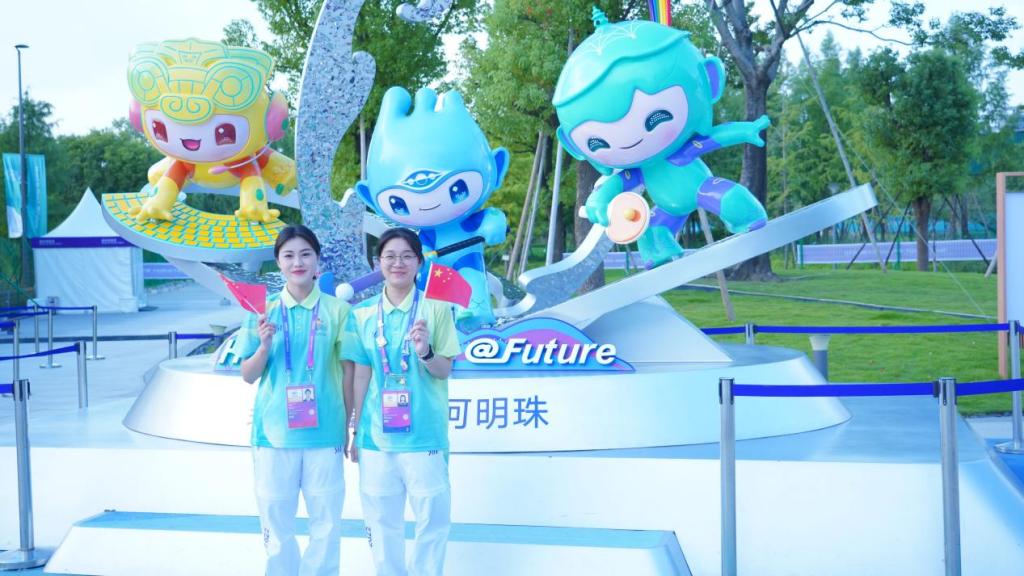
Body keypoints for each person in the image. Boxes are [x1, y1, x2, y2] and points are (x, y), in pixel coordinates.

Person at [343, 227, 461, 576]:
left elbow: (444, 370)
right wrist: (355, 431)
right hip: (376, 439)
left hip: (424, 437)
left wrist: (425, 351)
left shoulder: (435, 308)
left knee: (432, 523)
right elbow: (361, 374)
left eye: (407, 256)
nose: (398, 263)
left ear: (419, 263)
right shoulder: (362, 314)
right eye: (390, 256)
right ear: (378, 262)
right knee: (381, 525)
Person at [238, 224, 353, 576]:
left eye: (305, 254)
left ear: (317, 260)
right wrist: (263, 346)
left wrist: (348, 425)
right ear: (278, 262)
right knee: (276, 526)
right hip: (274, 435)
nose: (297, 262)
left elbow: (349, 372)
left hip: (325, 433)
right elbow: (248, 375)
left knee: (326, 525)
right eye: (288, 255)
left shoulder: (339, 311)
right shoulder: (262, 310)